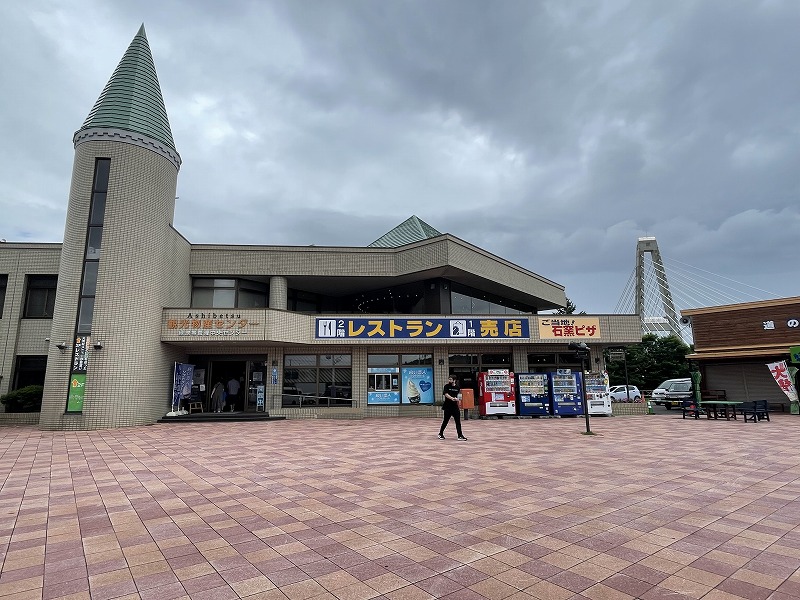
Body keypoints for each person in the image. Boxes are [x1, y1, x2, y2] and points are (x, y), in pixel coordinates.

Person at [439, 375, 467, 440]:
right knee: (445, 421)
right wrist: (451, 398)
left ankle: (460, 435)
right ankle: (440, 433)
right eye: (449, 379)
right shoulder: (446, 386)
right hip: (447, 407)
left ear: (454, 380)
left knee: (458, 421)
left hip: (455, 407)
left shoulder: (457, 387)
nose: (449, 381)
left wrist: (458, 399)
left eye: (451, 379)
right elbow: (446, 394)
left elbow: (459, 396)